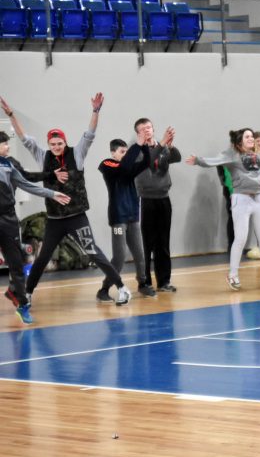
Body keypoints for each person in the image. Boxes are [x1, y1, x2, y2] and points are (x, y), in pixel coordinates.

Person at [1, 94, 132, 306]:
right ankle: (28, 294)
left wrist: (95, 111)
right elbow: (25, 139)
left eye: (59, 143)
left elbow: (90, 134)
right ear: (48, 143)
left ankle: (123, 288)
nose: (56, 146)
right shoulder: (43, 156)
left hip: (76, 217)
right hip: (54, 219)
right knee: (42, 258)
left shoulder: (76, 154)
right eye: (52, 143)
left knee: (93, 252)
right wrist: (11, 115)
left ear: (65, 141)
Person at [186, 128, 260, 290]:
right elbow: (213, 161)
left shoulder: (256, 155)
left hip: (258, 199)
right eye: (247, 136)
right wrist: (198, 160)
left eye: (252, 136)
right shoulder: (231, 154)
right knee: (240, 238)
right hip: (241, 199)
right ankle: (232, 274)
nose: (251, 138)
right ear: (239, 141)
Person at [0, 131, 71, 324]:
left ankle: (22, 305)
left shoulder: (7, 165)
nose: (7, 146)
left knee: (17, 264)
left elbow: (26, 183)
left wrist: (51, 193)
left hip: (8, 220)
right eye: (4, 143)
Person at [98, 138, 152, 301]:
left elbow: (145, 163)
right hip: (118, 218)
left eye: (127, 152)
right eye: (122, 152)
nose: (125, 155)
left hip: (133, 216)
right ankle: (104, 289)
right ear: (113, 153)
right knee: (119, 257)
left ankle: (143, 283)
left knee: (139, 253)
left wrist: (145, 147)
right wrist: (137, 145)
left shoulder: (128, 167)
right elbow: (122, 168)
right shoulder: (107, 165)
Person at [133, 118, 179, 293]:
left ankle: (164, 281)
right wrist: (161, 144)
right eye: (143, 129)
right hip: (146, 200)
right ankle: (144, 283)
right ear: (138, 133)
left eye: (150, 127)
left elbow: (177, 158)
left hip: (163, 199)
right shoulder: (136, 150)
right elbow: (148, 161)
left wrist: (171, 146)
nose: (148, 131)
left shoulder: (162, 148)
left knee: (163, 242)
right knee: (146, 244)